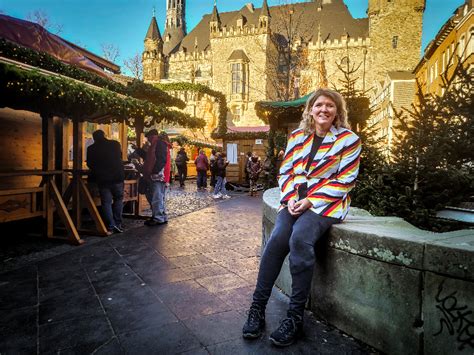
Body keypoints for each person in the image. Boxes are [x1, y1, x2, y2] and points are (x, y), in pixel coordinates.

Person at [242, 88, 361, 347]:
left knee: (299, 239)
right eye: (319, 105)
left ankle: (295, 318)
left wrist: (310, 200)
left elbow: (346, 180)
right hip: (295, 201)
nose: (324, 110)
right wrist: (291, 198)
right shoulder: (297, 137)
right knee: (276, 240)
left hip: (326, 205)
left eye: (330, 106)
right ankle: (256, 308)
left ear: (337, 112)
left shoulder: (349, 140)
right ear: (310, 110)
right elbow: (286, 172)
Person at [86, 130, 125, 234]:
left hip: (103, 178)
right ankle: (118, 223)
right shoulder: (115, 144)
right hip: (117, 177)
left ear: (94, 138)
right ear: (104, 136)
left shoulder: (91, 148)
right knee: (118, 199)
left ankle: (111, 225)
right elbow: (119, 157)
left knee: (106, 202)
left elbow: (90, 164)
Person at [135, 129, 171, 226]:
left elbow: (161, 159)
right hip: (157, 175)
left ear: (152, 136)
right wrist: (139, 150)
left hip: (158, 175)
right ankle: (160, 216)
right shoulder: (157, 144)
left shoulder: (159, 144)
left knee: (156, 196)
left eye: (148, 138)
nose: (148, 140)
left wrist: (154, 171)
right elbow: (149, 157)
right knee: (156, 196)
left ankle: (158, 218)